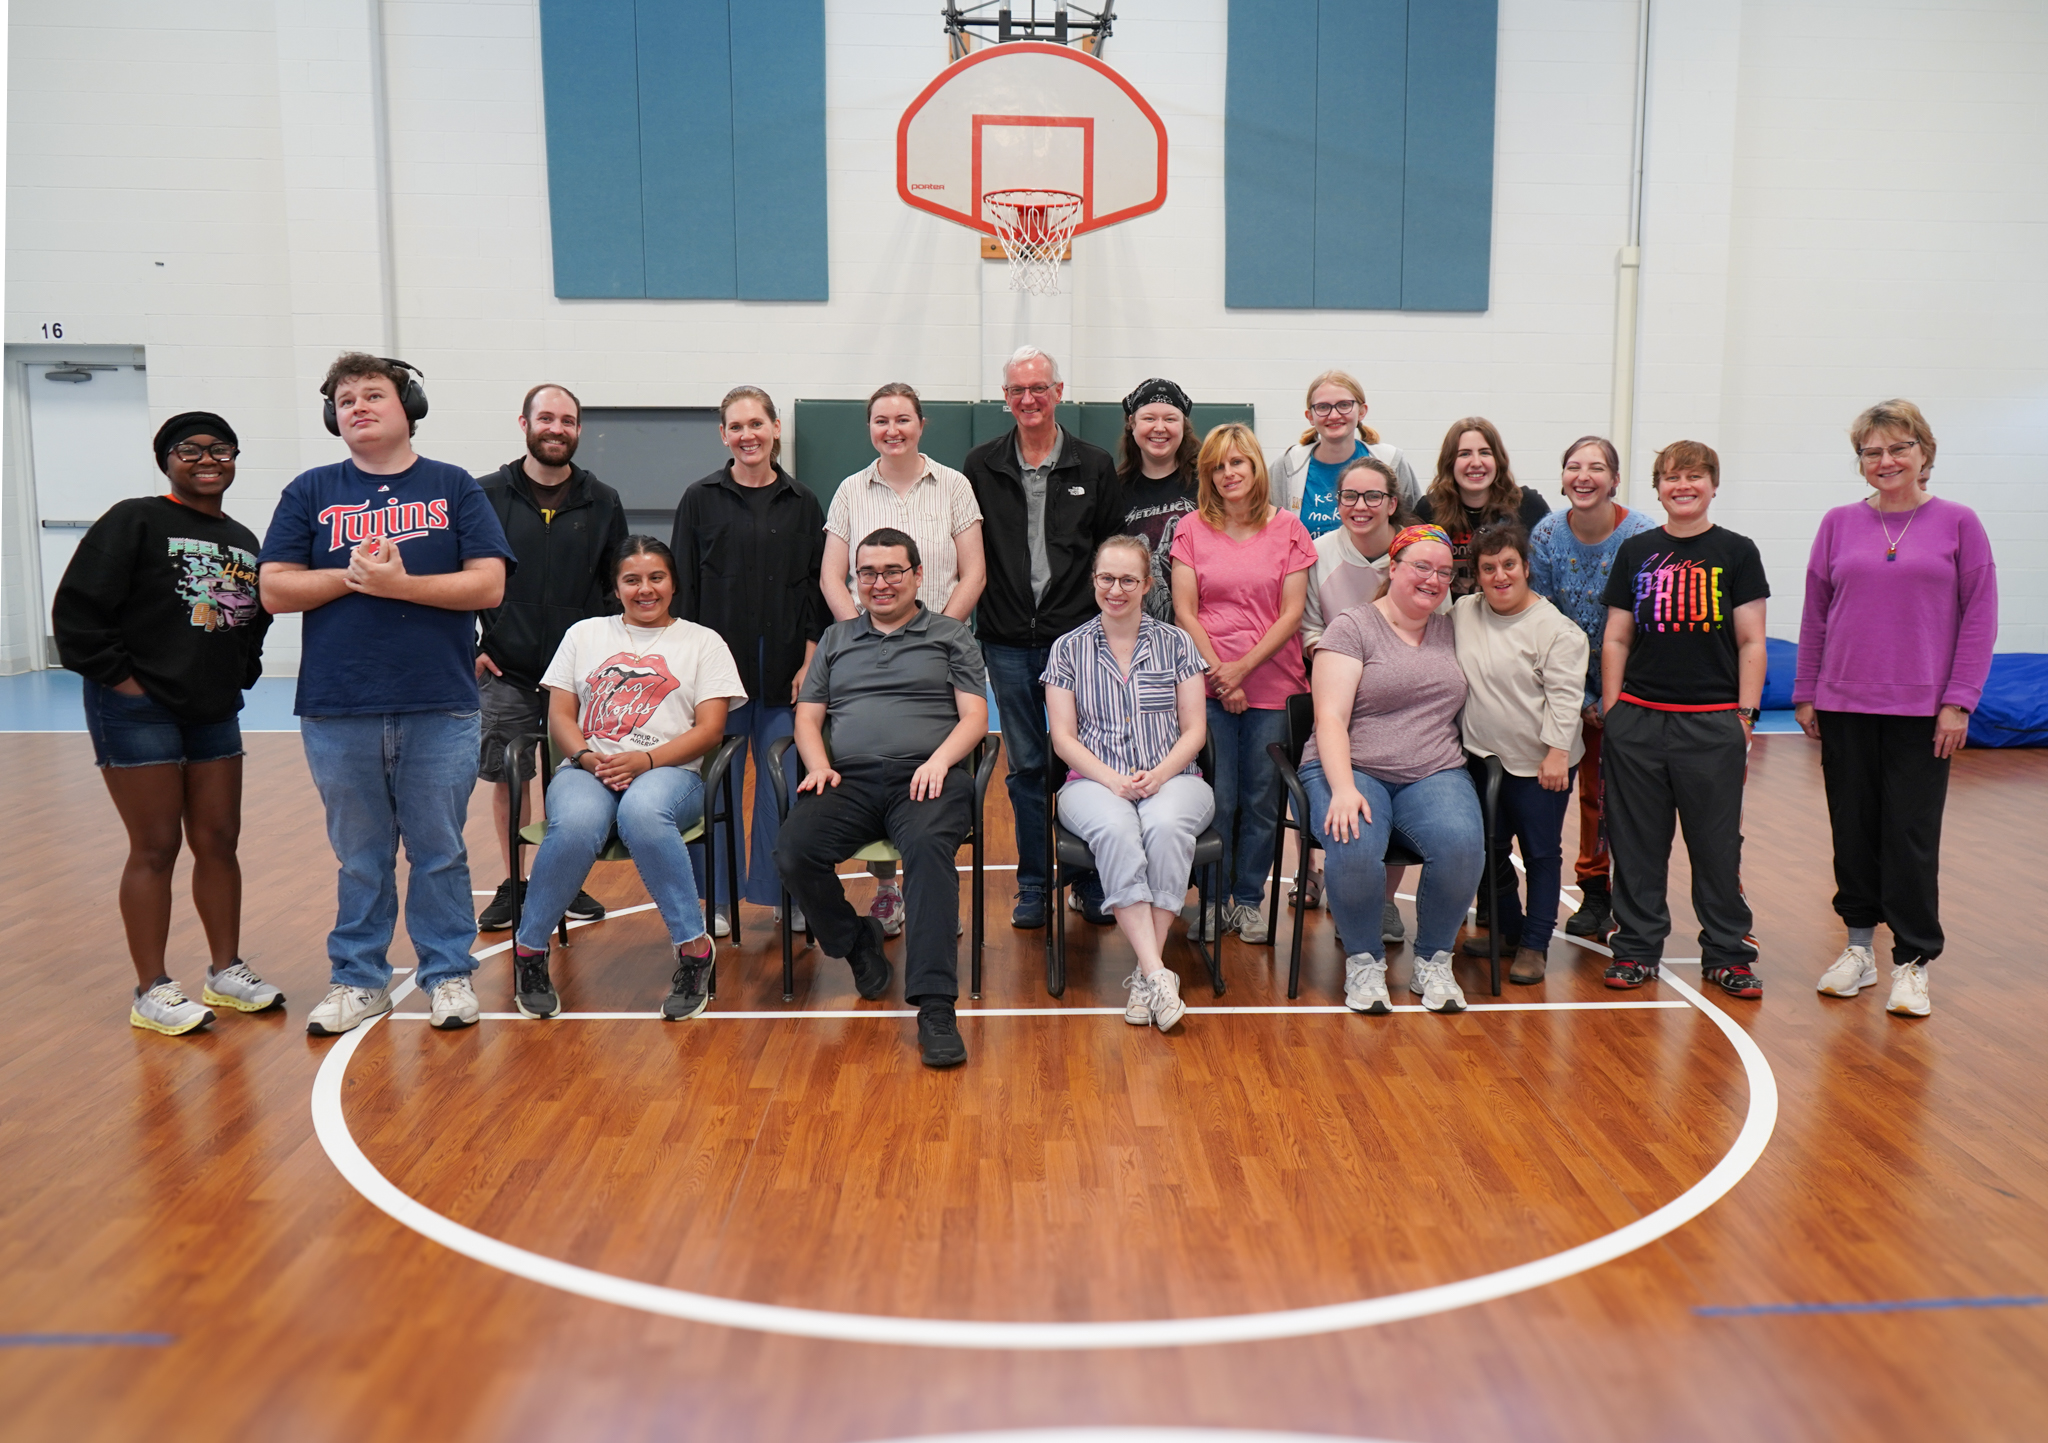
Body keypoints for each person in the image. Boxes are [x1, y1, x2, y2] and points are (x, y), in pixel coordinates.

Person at [259, 352, 514, 1036]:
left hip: (441, 701)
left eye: (374, 394)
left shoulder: (455, 486)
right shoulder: (310, 490)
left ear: (410, 408)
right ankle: (359, 978)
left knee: (439, 849)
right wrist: (353, 575)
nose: (359, 407)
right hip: (338, 704)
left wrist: (401, 586)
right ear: (331, 417)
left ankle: (447, 973)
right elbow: (275, 588)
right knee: (361, 855)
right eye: (346, 400)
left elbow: (488, 584)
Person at [54, 411, 276, 1035]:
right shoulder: (135, 519)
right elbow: (77, 612)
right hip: (135, 708)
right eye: (190, 449)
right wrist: (122, 681)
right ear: (167, 460)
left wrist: (240, 673)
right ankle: (151, 989)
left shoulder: (241, 538)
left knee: (218, 841)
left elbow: (255, 617)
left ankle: (226, 970)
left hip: (212, 709)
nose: (208, 459)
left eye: (221, 449)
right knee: (155, 847)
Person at [1797, 400, 1995, 1019]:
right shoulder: (1836, 524)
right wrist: (1806, 690)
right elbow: (1816, 614)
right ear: (1860, 462)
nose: (1886, 461)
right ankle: (1858, 950)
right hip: (1844, 703)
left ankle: (1913, 961)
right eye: (1872, 452)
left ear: (1923, 453)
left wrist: (1958, 702)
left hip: (1922, 711)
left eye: (1898, 448)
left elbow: (1980, 619)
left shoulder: (1960, 524)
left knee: (1910, 836)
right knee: (1852, 830)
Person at [773, 529, 990, 1069]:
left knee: (927, 854)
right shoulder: (836, 638)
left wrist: (940, 761)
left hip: (928, 778)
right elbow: (808, 717)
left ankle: (936, 1007)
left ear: (918, 575)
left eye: (893, 571)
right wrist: (819, 765)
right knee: (794, 850)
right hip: (851, 779)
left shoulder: (950, 635)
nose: (880, 583)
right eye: (868, 573)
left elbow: (975, 718)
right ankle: (856, 943)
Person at [508, 538, 748, 1021]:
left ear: (674, 583)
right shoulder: (584, 634)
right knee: (574, 824)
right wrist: (583, 755)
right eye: (632, 580)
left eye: (656, 577)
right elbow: (559, 712)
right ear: (616, 588)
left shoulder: (704, 642)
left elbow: (710, 730)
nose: (645, 589)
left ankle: (694, 950)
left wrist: (647, 761)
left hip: (668, 772)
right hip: (588, 768)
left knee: (643, 813)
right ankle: (529, 952)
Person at [1599, 440, 1769, 998]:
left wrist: (1744, 717)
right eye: (1672, 478)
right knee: (1637, 844)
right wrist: (1613, 709)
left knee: (1717, 847)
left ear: (1713, 485)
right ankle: (1636, 949)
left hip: (1712, 724)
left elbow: (1751, 641)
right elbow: (1617, 637)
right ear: (1657, 487)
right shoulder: (1636, 550)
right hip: (1640, 722)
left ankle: (1727, 952)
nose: (1683, 486)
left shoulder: (1738, 551)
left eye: (1694, 476)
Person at [962, 346, 1123, 930]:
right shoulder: (979, 466)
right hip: (1005, 643)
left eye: (1039, 388)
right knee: (1028, 767)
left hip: (1079, 643)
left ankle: (1088, 879)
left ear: (1059, 391)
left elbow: (1111, 556)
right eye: (1016, 391)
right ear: (1005, 399)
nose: (1028, 399)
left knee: (1088, 761)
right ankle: (1033, 884)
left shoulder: (1095, 465)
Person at [821, 383, 984, 937]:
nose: (893, 430)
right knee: (874, 755)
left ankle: (934, 892)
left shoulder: (955, 486)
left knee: (935, 767)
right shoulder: (849, 490)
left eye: (903, 419)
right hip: (867, 648)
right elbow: (833, 575)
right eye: (881, 420)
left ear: (922, 424)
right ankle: (887, 890)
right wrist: (861, 638)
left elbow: (974, 573)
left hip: (940, 650)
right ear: (870, 427)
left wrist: (935, 637)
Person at [1300, 524, 1484, 1015]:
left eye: (1444, 572)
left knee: (1463, 844)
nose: (1433, 579)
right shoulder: (1352, 626)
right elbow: (1330, 718)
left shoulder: (1451, 629)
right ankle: (1364, 961)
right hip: (1352, 764)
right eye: (1421, 567)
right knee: (1355, 841)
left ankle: (1433, 961)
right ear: (1393, 568)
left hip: (1433, 768)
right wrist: (1341, 788)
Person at [672, 385, 827, 937]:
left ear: (776, 427)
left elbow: (815, 589)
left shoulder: (804, 502)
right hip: (717, 678)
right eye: (736, 427)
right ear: (723, 435)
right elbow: (683, 591)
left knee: (787, 786)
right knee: (715, 787)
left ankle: (788, 893)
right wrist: (688, 675)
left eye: (756, 424)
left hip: (786, 672)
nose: (747, 435)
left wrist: (811, 660)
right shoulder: (699, 498)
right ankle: (714, 897)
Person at [1044, 536, 1213, 1032]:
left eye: (1127, 580)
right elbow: (1063, 739)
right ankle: (1159, 973)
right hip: (1093, 782)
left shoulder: (1177, 642)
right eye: (1106, 578)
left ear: (1147, 585)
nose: (1115, 590)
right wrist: (1113, 779)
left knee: (1163, 827)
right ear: (1093, 580)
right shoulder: (1067, 648)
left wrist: (1160, 774)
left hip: (1175, 777)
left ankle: (1147, 973)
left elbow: (1196, 730)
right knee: (1117, 832)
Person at [474, 382, 625, 933]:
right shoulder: (484, 494)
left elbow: (617, 590)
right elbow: (457, 575)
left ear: (578, 430)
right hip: (506, 670)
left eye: (567, 420)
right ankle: (515, 882)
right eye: (546, 418)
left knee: (571, 781)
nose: (556, 428)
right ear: (525, 424)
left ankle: (562, 877)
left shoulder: (603, 500)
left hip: (579, 678)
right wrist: (473, 647)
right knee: (508, 778)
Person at [1169, 423, 1316, 944]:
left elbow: (1292, 613)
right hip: (1205, 688)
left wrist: (1243, 670)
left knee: (1259, 801)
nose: (1228, 473)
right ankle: (1211, 901)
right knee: (1215, 799)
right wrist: (1220, 674)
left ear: (1255, 467)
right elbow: (1186, 611)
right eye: (1217, 466)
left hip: (1273, 689)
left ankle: (1249, 899)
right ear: (1207, 475)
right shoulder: (1190, 529)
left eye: (1238, 463)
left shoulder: (1290, 529)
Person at [1528, 436, 1657, 942]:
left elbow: (1650, 623)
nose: (1584, 476)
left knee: (1628, 796)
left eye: (1597, 467)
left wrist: (1614, 696)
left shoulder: (1643, 535)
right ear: (1562, 477)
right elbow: (1538, 617)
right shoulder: (1545, 535)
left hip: (1632, 687)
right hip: (1567, 687)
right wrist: (1579, 700)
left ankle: (1635, 896)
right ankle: (1594, 890)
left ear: (1615, 479)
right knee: (1588, 797)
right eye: (1574, 467)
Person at [1295, 454, 1426, 940]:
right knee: (1354, 805)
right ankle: (1352, 897)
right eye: (1350, 496)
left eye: (1373, 496)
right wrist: (1346, 662)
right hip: (1340, 693)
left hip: (1403, 698)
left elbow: (1438, 623)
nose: (1361, 506)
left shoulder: (1416, 551)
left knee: (1400, 793)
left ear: (1393, 503)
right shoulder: (1319, 552)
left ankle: (1384, 901)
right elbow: (1310, 627)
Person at [1453, 524, 1590, 984]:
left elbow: (1566, 698)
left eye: (1509, 565)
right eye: (1488, 568)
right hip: (1481, 759)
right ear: (1476, 574)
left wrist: (1556, 754)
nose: (1499, 576)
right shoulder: (1463, 612)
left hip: (1539, 765)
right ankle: (1509, 933)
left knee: (1539, 855)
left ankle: (1535, 946)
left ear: (1526, 568)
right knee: (1487, 851)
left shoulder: (1557, 631)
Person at [1271, 370, 1421, 536]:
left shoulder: (1391, 462)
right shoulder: (1288, 466)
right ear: (1310, 416)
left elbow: (1413, 526)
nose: (1334, 415)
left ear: (1362, 411)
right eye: (1323, 407)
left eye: (1344, 405)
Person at [1425, 417, 1551, 597]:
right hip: (1450, 620)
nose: (1476, 463)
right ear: (1450, 462)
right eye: (1464, 454)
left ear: (1498, 460)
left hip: (1510, 617)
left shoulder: (1528, 505)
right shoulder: (1429, 509)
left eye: (1485, 453)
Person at [1112, 377, 1201, 621]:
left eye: (1170, 419)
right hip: (1132, 628)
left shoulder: (1207, 484)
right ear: (1132, 423)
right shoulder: (1113, 488)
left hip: (1198, 631)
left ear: (1183, 424)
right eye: (1149, 418)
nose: (1159, 428)